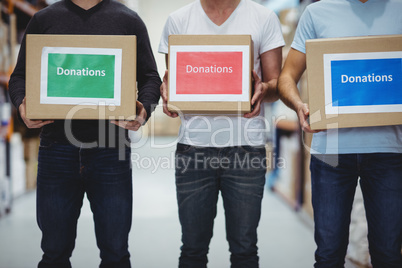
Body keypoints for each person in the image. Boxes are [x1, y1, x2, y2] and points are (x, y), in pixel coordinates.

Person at [8, 0, 161, 267]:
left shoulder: (128, 21)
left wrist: (143, 110)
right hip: (56, 148)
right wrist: (22, 104)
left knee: (115, 253)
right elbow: (19, 76)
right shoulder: (44, 20)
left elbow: (150, 77)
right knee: (54, 252)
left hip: (111, 150)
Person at [158, 0, 284, 266]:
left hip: (246, 148)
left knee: (245, 249)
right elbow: (176, 82)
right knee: (192, 248)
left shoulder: (263, 17)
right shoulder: (179, 19)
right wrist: (169, 96)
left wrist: (264, 90)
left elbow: (275, 86)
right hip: (194, 148)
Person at [277, 0, 402, 267]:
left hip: (389, 152)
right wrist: (299, 105)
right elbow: (287, 75)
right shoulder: (317, 13)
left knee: (388, 255)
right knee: (329, 256)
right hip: (330, 155)